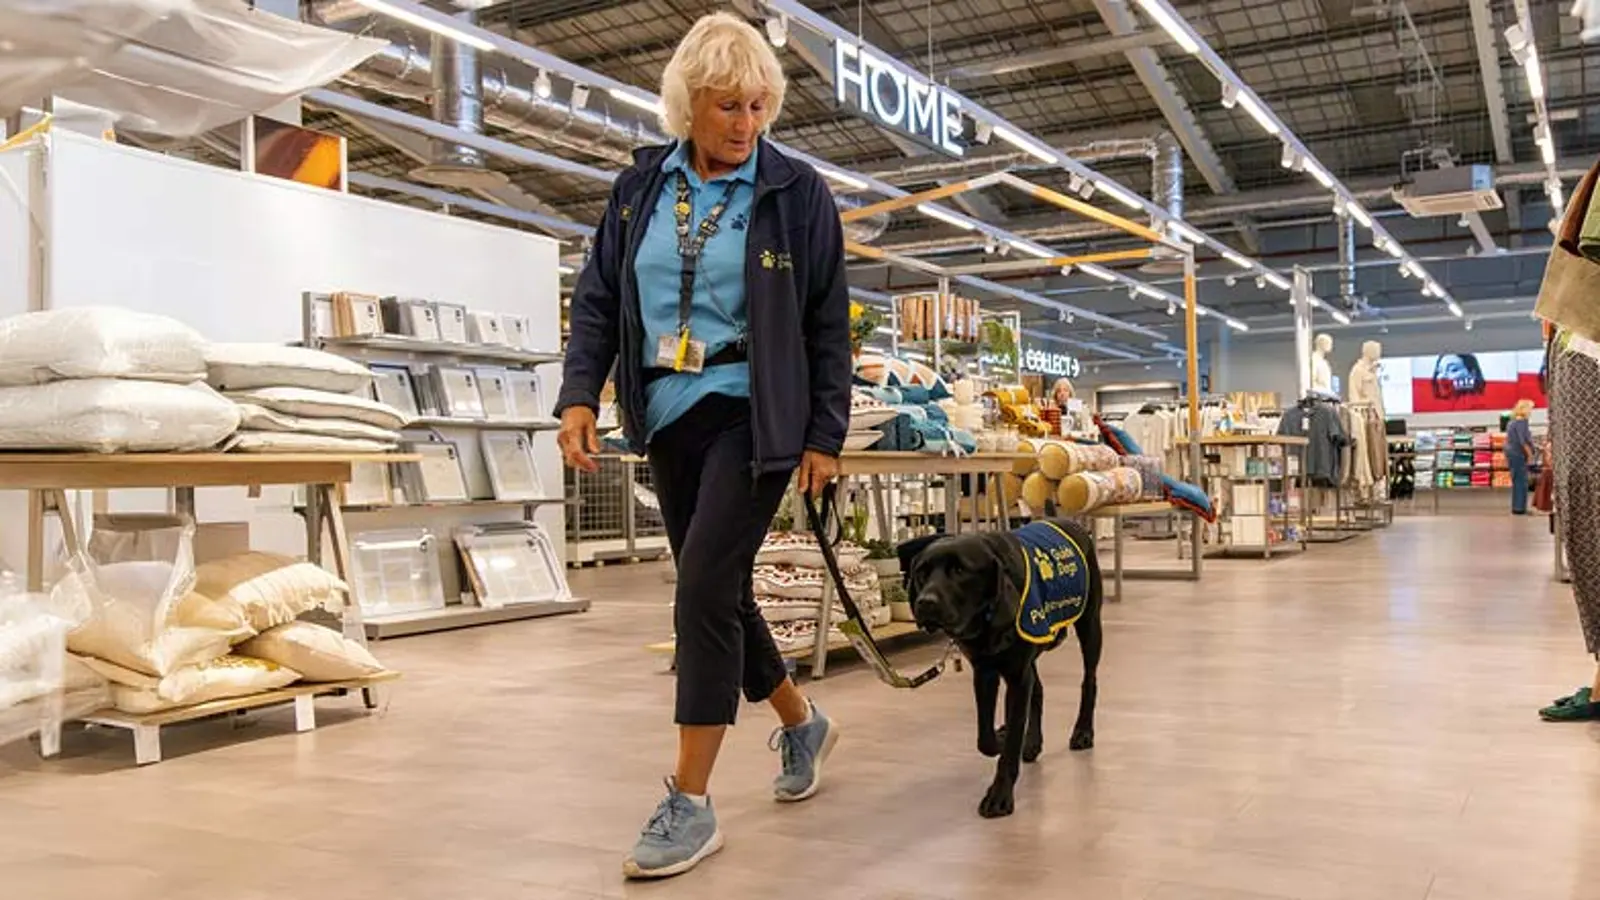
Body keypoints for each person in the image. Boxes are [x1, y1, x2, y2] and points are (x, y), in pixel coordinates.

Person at [552, 12, 852, 880]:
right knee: (716, 589)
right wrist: (580, 394)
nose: (746, 123)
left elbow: (827, 320)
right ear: (687, 104)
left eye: (759, 105)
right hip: (666, 411)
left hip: (754, 415)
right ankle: (802, 724)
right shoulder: (639, 188)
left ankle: (690, 799)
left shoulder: (795, 193)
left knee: (702, 593)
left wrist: (824, 432)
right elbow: (600, 299)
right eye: (728, 106)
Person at [1506, 399, 1536, 515]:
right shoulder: (1522, 422)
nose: (1531, 411)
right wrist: (1530, 455)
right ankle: (1520, 508)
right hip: (1518, 453)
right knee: (1521, 481)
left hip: (1512, 452)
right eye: (1530, 408)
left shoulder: (1512, 421)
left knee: (1517, 480)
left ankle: (1517, 507)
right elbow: (1522, 441)